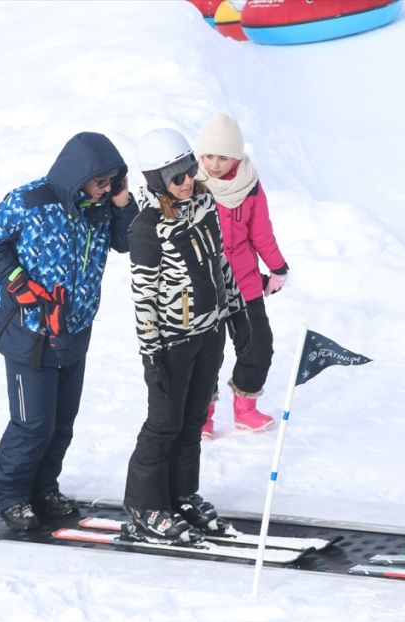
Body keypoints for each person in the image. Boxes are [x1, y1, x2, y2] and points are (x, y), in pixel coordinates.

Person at [0, 132, 138, 531]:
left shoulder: (102, 207)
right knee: (32, 424)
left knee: (62, 423)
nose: (106, 188)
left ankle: (44, 488)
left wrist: (122, 203)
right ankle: (10, 494)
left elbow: (126, 243)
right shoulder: (31, 201)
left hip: (74, 330)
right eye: (102, 181)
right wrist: (16, 280)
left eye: (113, 181)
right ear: (79, 174)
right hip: (29, 331)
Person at [122, 127, 247, 544]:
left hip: (208, 333)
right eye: (176, 177)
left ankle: (181, 494)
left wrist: (236, 315)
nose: (188, 180)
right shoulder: (147, 227)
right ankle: (145, 506)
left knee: (193, 421)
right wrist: (151, 355)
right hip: (171, 342)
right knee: (163, 424)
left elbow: (220, 263)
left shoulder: (203, 204)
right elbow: (144, 298)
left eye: (189, 169)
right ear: (157, 182)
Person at [196, 112, 289, 436]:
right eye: (208, 156)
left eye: (222, 157)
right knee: (207, 352)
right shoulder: (192, 184)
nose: (214, 164)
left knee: (258, 345)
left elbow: (261, 232)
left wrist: (277, 268)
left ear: (235, 156)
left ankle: (245, 409)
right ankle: (202, 413)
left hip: (244, 281)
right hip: (205, 284)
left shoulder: (249, 184)